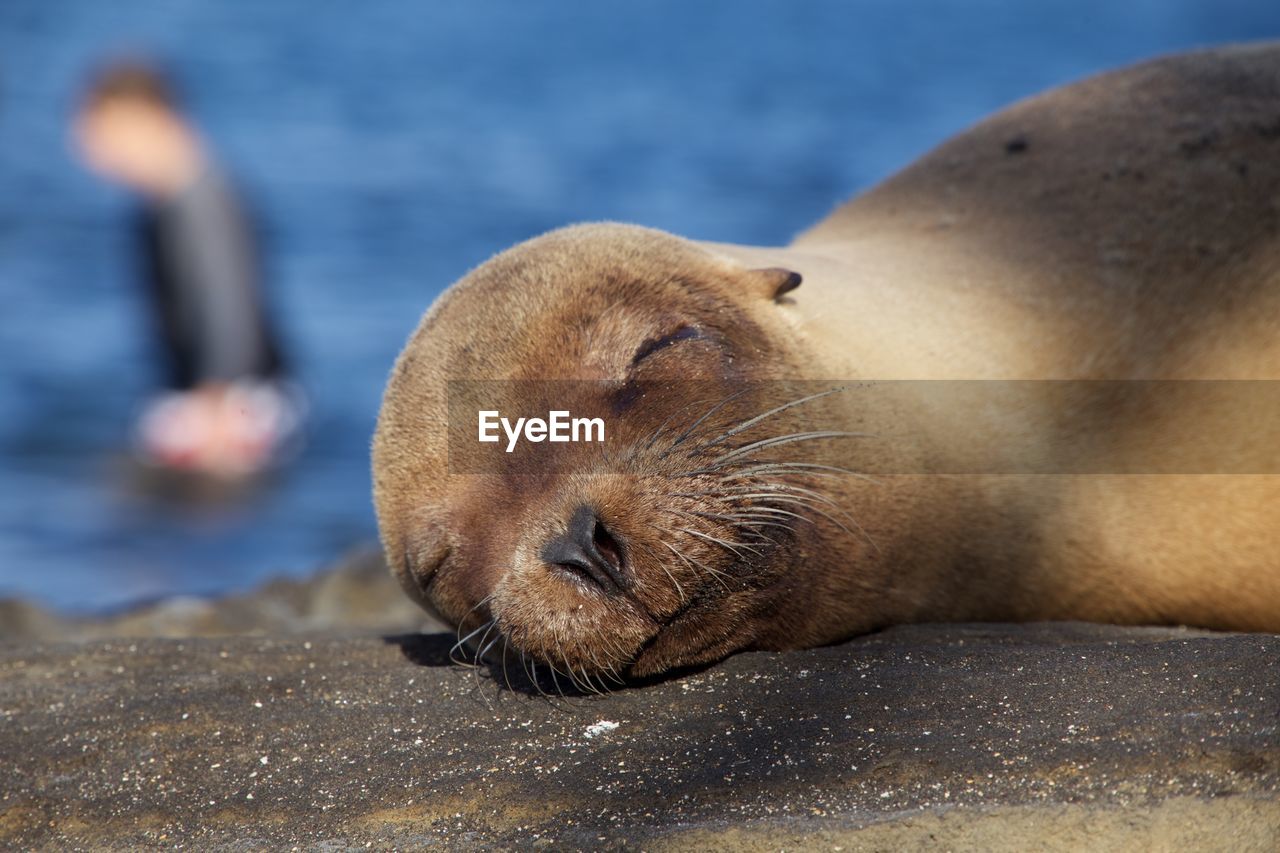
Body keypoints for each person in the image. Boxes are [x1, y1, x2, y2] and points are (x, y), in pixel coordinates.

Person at [72, 60, 301, 479]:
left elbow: (229, 302)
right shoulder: (167, 199)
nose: (90, 151)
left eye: (101, 132)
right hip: (216, 394)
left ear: (146, 118)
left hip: (237, 401)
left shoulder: (200, 198)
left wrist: (216, 402)